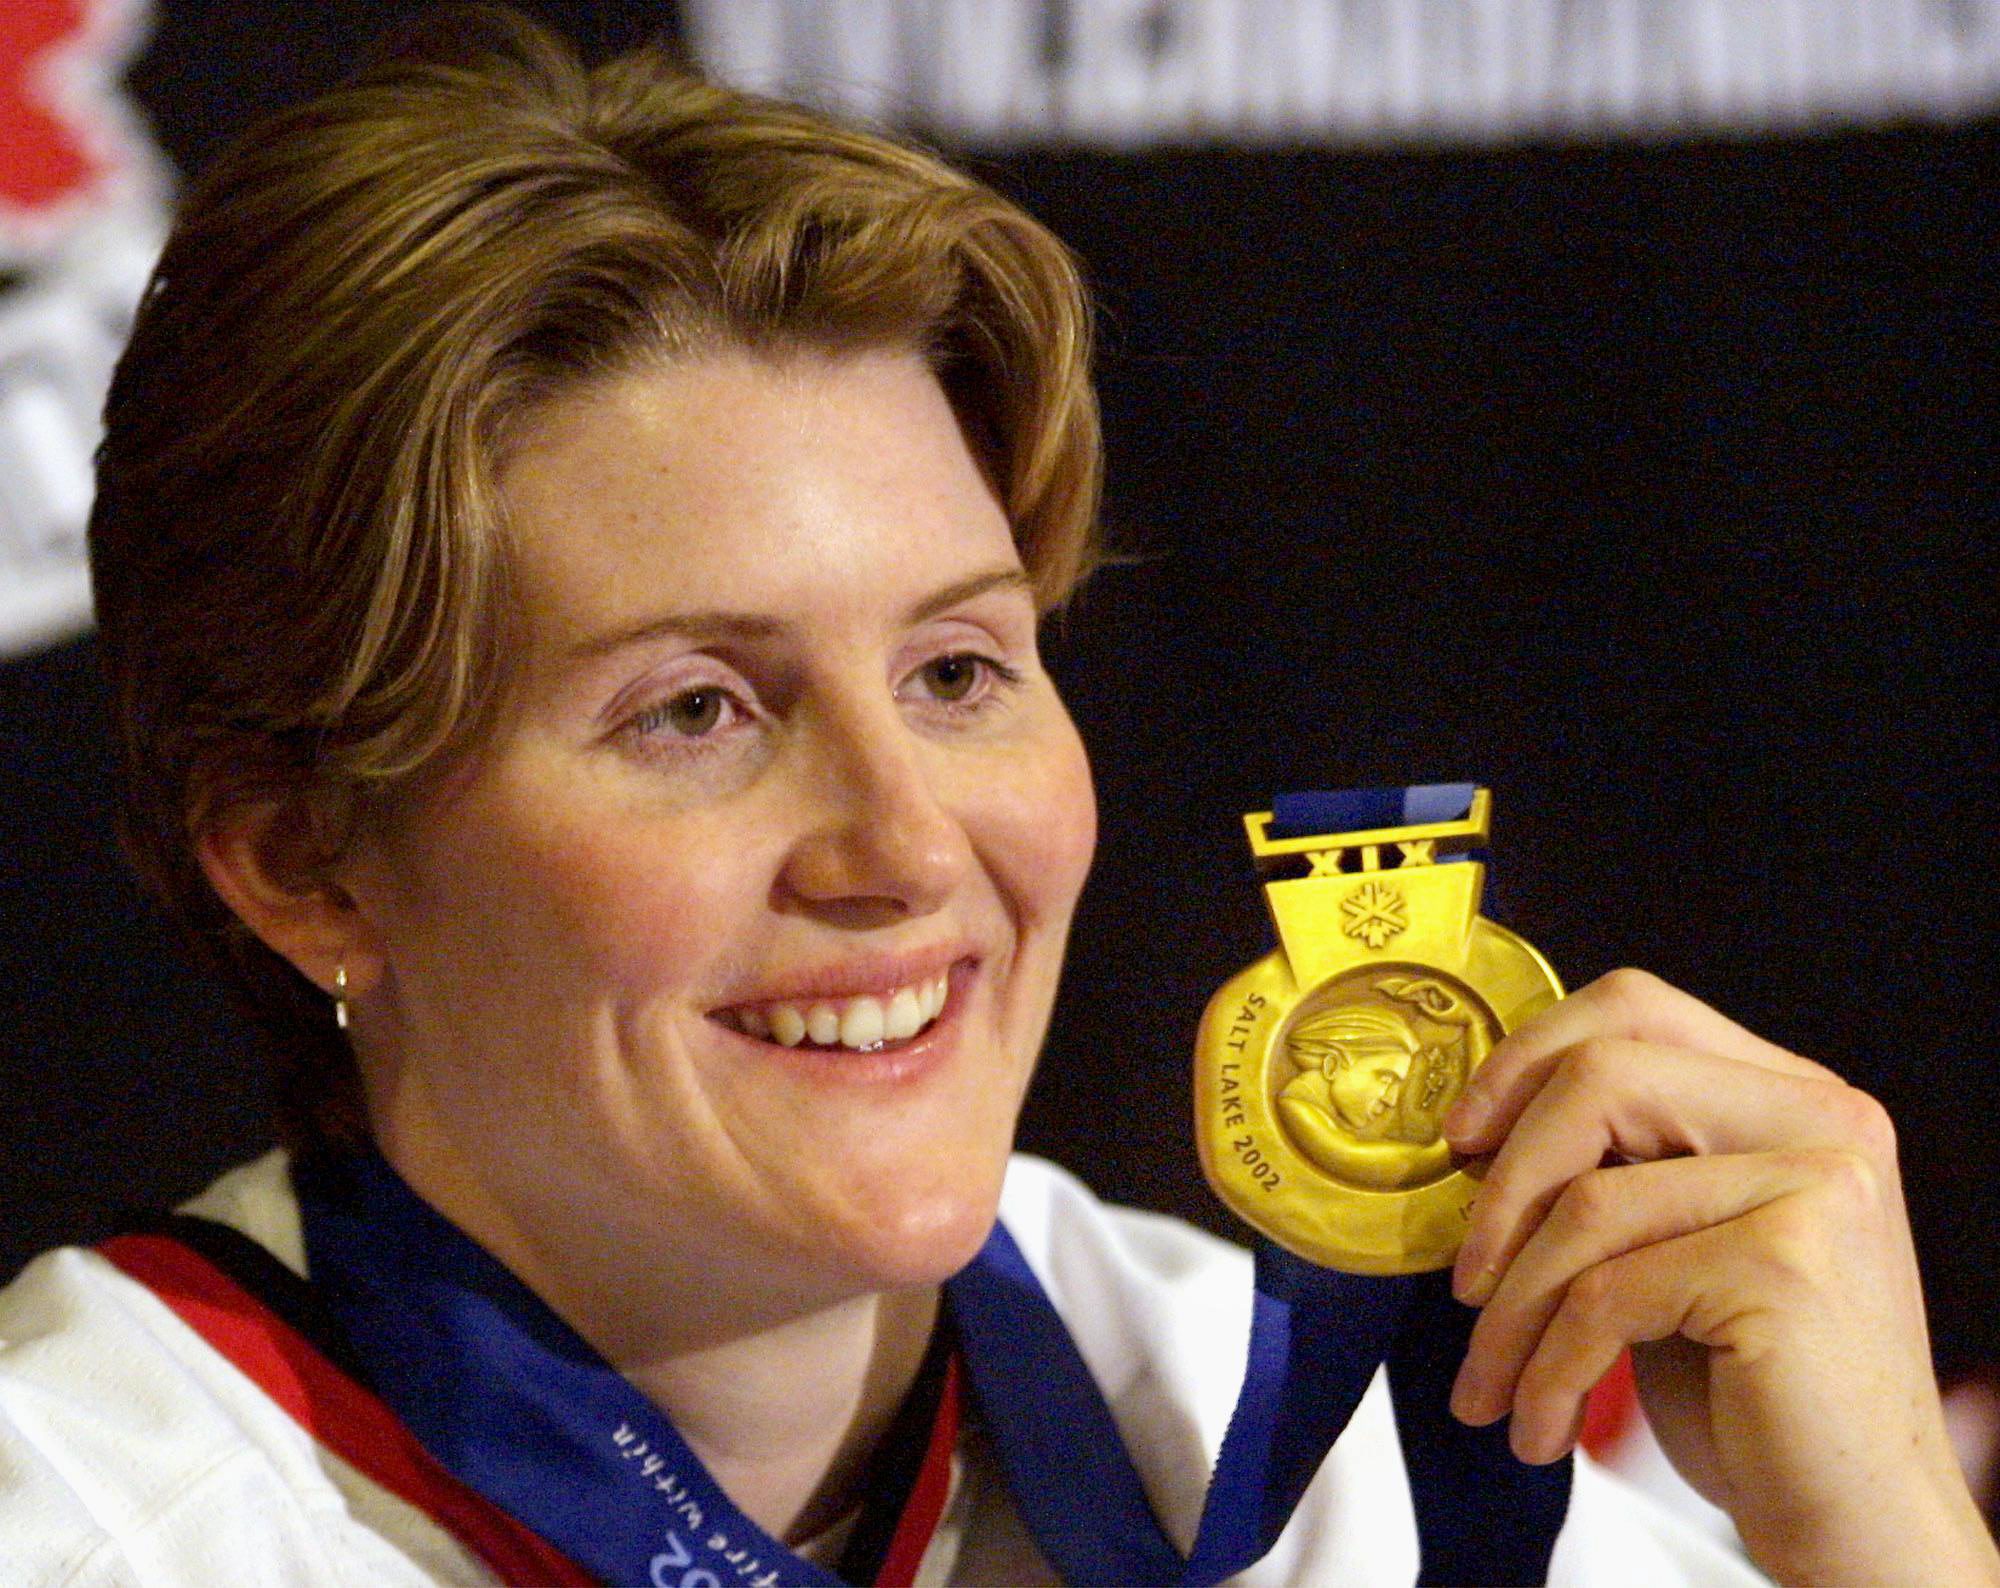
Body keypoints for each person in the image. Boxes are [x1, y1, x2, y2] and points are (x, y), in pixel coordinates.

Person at [0, 9, 1992, 1585]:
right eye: (696, 708)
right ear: (299, 862)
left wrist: (1882, 1534)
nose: (906, 845)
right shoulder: (87, 1517)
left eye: (958, 669)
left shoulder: (1305, 1447)